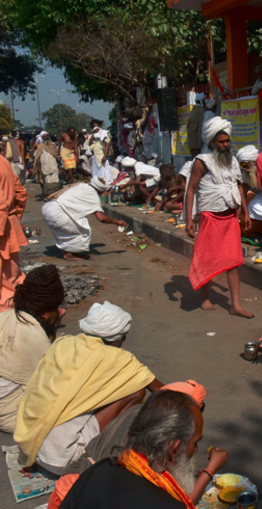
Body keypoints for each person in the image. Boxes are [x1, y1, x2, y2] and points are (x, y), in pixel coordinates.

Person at [14, 300, 164, 475]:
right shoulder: (119, 358)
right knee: (136, 391)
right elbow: (163, 391)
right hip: (64, 460)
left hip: (31, 446)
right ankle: (107, 448)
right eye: (124, 335)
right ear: (117, 337)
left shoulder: (62, 344)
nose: (124, 340)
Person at [47, 381, 218, 509]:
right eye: (195, 443)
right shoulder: (169, 504)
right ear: (173, 448)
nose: (195, 450)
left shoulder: (101, 468)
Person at [184, 117, 253, 317]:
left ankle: (235, 305)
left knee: (233, 262)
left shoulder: (233, 162)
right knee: (206, 258)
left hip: (230, 218)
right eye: (221, 142)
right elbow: (191, 190)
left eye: (227, 141)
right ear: (212, 142)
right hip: (210, 218)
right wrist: (189, 219)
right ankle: (203, 297)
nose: (225, 145)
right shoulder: (202, 162)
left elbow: (238, 185)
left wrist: (245, 212)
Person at [0, 265, 65, 433]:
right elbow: (51, 387)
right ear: (43, 313)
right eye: (56, 308)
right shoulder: (35, 339)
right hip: (10, 417)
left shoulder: (5, 317)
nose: (60, 312)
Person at [42, 178, 127, 261]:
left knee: (72, 228)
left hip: (48, 208)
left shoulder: (81, 185)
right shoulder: (93, 195)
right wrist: (117, 222)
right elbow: (101, 218)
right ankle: (70, 254)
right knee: (83, 229)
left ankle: (69, 250)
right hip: (57, 212)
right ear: (102, 190)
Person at [0, 156, 27, 310]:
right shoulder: (3, 161)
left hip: (2, 228)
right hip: (7, 225)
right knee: (12, 277)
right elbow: (20, 192)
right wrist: (14, 220)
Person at [34, 132, 62, 196]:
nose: (46, 137)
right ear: (42, 137)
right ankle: (49, 195)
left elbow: (56, 155)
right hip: (45, 165)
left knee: (55, 180)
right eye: (44, 136)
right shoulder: (40, 146)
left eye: (47, 136)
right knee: (47, 181)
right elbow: (38, 157)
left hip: (53, 164)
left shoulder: (53, 144)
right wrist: (38, 166)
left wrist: (60, 166)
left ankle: (56, 194)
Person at [187, 94, 206, 158]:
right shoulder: (201, 110)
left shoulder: (194, 109)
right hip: (196, 136)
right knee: (196, 154)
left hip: (191, 136)